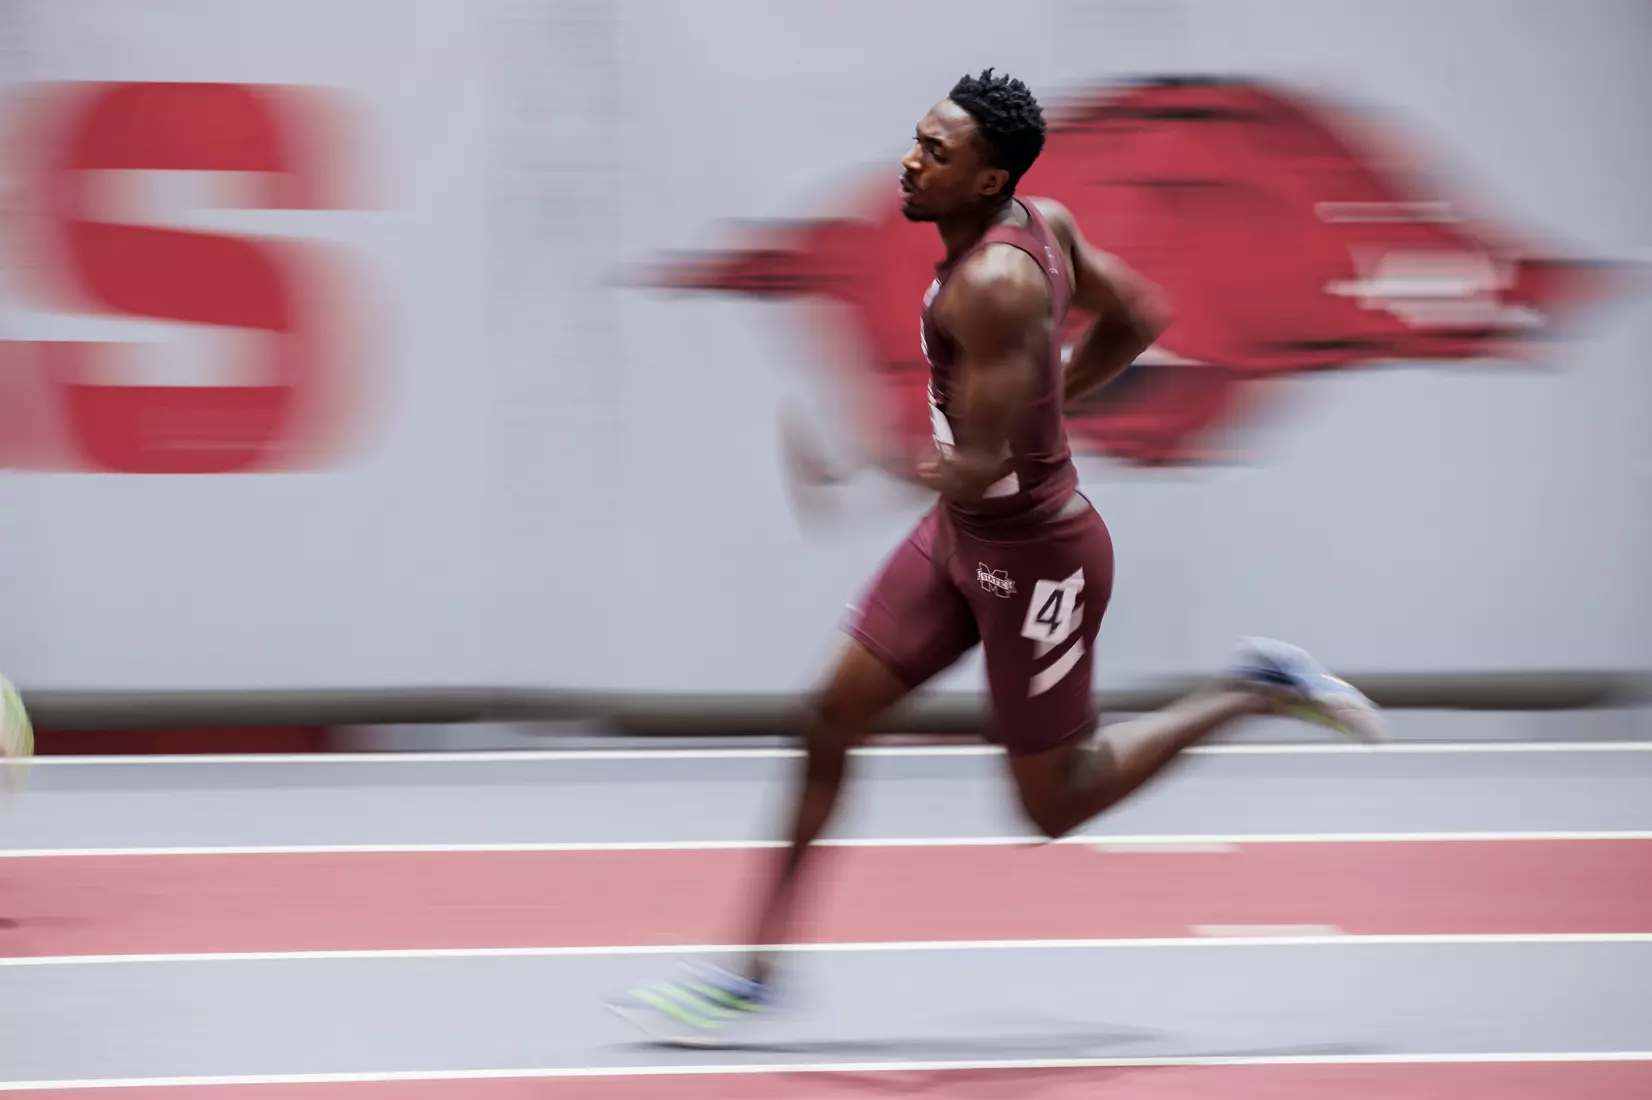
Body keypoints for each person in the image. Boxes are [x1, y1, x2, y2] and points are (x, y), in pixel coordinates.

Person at [608, 68, 1384, 1044]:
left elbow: (975, 466)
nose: (910, 159)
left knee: (1051, 805)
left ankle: (1251, 687)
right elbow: (1140, 315)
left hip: (1037, 563)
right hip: (960, 541)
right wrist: (1052, 394)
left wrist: (861, 467)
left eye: (936, 151)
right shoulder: (1040, 221)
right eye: (916, 138)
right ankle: (752, 972)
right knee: (824, 718)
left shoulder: (995, 283)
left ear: (984, 181)